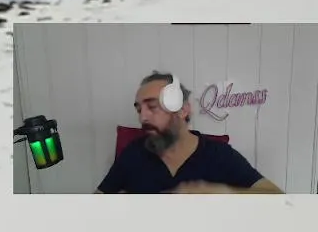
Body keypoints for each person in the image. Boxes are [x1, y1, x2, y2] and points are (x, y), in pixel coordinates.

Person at [95, 71, 284, 194]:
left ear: (183, 110)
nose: (143, 117)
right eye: (139, 109)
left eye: (152, 107)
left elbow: (277, 197)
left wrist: (224, 193)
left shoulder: (219, 155)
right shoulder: (133, 154)